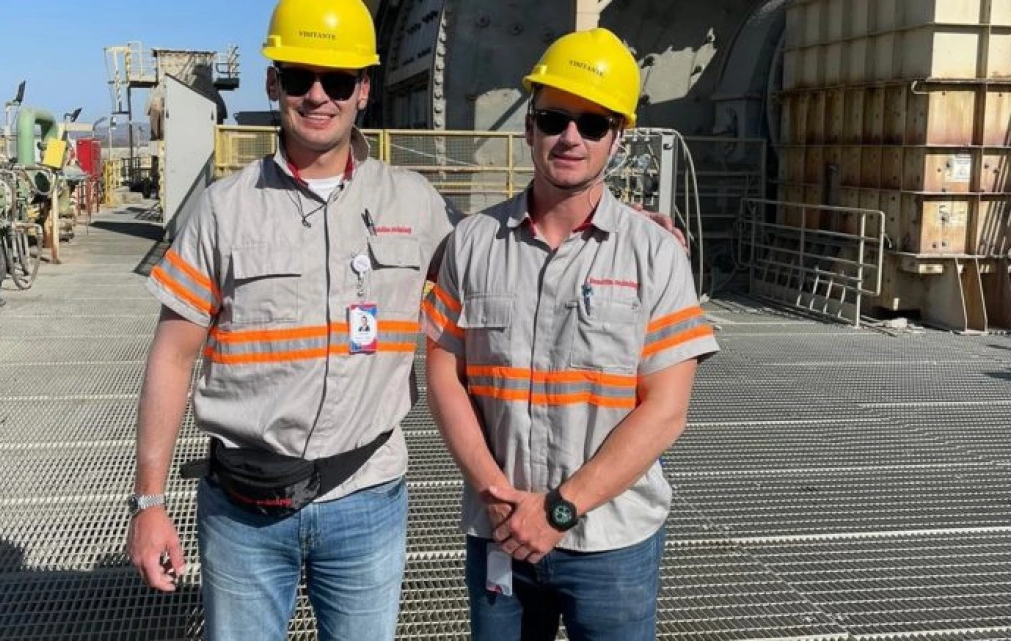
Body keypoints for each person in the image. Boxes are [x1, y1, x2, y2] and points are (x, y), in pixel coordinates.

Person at [125, 1, 457, 639]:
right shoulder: (224, 211)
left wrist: (626, 228)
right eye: (301, 76)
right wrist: (149, 503)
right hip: (244, 510)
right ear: (273, 82)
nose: (318, 96)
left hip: (367, 499)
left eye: (337, 81)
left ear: (363, 89)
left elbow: (497, 263)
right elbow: (171, 357)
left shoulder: (413, 204)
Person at [422, 27, 719, 641]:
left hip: (610, 543)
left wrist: (559, 509)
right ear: (529, 126)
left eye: (593, 123)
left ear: (618, 138)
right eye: (555, 118)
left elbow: (666, 410)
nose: (571, 138)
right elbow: (443, 373)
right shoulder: (473, 243)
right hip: (498, 530)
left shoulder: (654, 255)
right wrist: (494, 492)